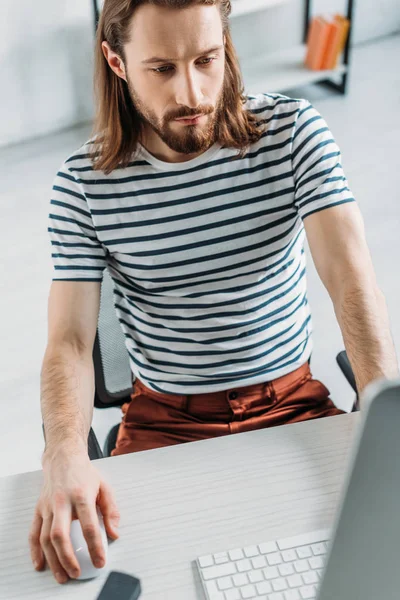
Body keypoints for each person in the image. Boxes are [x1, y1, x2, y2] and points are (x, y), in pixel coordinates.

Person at [29, 0, 398, 586]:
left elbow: (351, 279)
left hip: (292, 405)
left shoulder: (294, 133)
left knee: (362, 562)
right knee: (128, 577)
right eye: (162, 68)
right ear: (116, 61)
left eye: (207, 58)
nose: (194, 91)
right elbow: (70, 341)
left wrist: (384, 409)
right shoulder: (82, 186)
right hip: (164, 421)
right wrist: (64, 454)